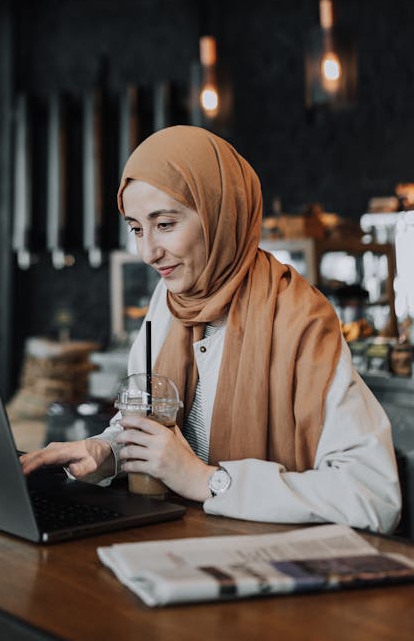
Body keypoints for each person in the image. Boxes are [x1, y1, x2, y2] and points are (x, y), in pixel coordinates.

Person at [20, 125, 402, 533]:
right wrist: (108, 451)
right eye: (136, 228)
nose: (148, 252)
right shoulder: (166, 305)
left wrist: (207, 481)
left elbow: (373, 496)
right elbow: (153, 419)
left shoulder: (301, 320)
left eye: (165, 224)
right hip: (176, 545)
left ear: (221, 215)